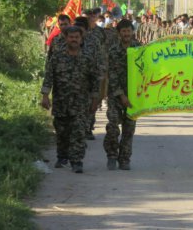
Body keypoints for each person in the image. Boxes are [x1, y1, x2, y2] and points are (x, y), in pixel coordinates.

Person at [40, 26, 99, 173]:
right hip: (61, 102)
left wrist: (95, 100)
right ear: (66, 38)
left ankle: (77, 161)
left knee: (78, 132)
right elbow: (49, 77)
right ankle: (62, 156)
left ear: (81, 39)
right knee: (62, 132)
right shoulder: (57, 56)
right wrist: (45, 95)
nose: (74, 39)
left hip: (81, 103)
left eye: (77, 37)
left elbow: (95, 80)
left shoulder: (88, 57)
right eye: (71, 37)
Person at [104, 19, 141, 170]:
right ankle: (112, 155)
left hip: (134, 97)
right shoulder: (113, 51)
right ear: (119, 33)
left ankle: (124, 159)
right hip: (115, 95)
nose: (126, 34)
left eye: (128, 31)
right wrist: (121, 95)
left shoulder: (140, 50)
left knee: (129, 128)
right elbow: (111, 75)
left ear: (132, 32)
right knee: (113, 126)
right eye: (123, 31)